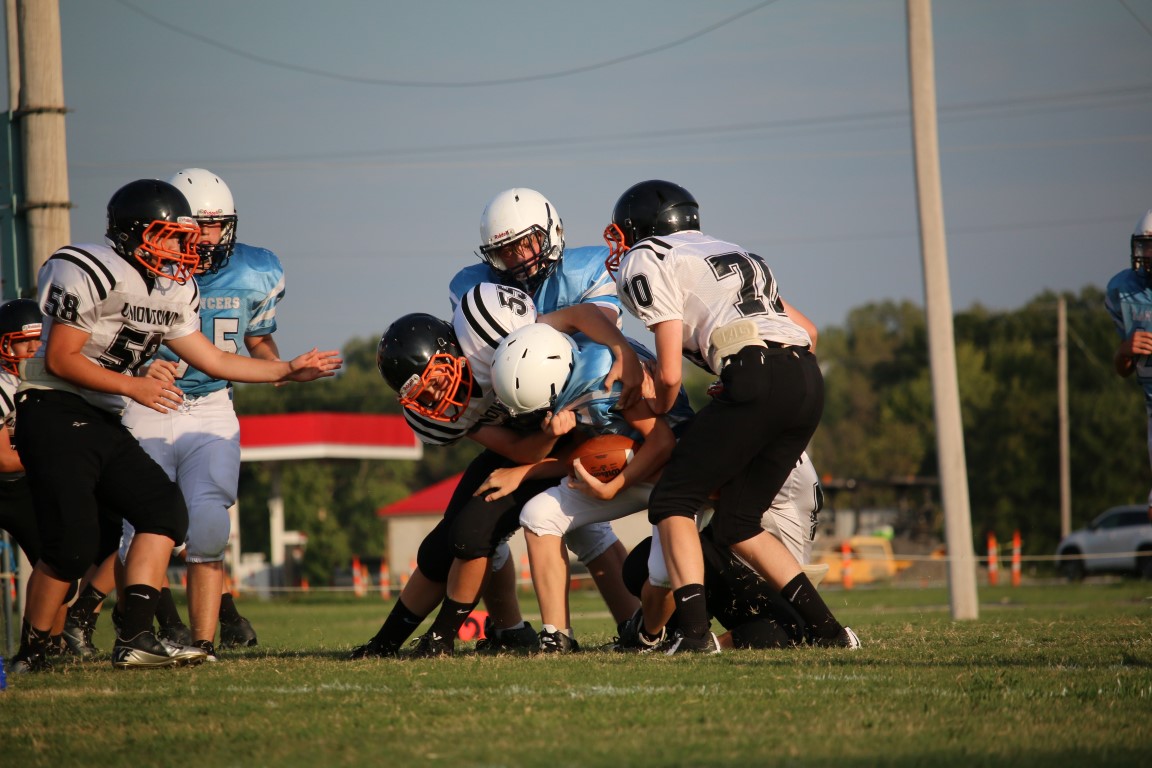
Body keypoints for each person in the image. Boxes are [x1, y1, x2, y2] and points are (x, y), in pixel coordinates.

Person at [7, 178, 341, 673]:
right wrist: (134, 386)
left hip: (104, 414)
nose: (185, 248)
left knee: (163, 511)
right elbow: (60, 359)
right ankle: (33, 651)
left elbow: (213, 359)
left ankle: (136, 636)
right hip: (54, 407)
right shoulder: (89, 268)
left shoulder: (174, 289)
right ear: (133, 233)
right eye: (171, 236)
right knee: (73, 546)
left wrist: (286, 370)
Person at [603, 179, 858, 653]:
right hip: (806, 379)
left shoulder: (650, 256)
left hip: (757, 373)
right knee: (739, 524)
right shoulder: (733, 252)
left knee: (672, 500)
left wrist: (655, 407)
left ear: (641, 228)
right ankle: (830, 632)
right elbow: (809, 332)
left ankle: (694, 634)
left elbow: (671, 375)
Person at [351, 282, 640, 658]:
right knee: (440, 548)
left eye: (433, 382)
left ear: (449, 351)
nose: (435, 397)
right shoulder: (439, 415)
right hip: (537, 442)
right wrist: (546, 438)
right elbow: (518, 450)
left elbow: (580, 315)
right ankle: (385, 643)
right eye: (421, 395)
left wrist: (621, 349)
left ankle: (442, 638)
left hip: (585, 429)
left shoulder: (488, 328)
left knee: (471, 536)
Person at [118, 168, 279, 660]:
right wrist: (137, 373)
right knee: (137, 530)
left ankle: (204, 644)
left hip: (210, 404)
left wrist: (277, 368)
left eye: (216, 225)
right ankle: (148, 631)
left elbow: (256, 337)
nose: (208, 238)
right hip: (146, 402)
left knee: (209, 524)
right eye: (198, 226)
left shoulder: (255, 270)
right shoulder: (135, 270)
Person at [485, 322, 692, 652]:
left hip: (674, 477)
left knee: (661, 573)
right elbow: (586, 454)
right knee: (539, 515)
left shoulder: (603, 379)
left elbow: (662, 442)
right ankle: (557, 636)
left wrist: (614, 487)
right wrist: (524, 472)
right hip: (631, 467)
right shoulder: (574, 357)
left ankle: (653, 635)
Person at [614, 452, 824, 652]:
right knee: (644, 562)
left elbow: (697, 485)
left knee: (788, 628)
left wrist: (630, 475)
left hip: (763, 574)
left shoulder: (768, 451)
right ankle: (666, 630)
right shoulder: (778, 444)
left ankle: (702, 642)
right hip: (744, 561)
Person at [1106, 209, 1152, 515]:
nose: (1148, 254)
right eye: (1145, 246)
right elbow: (1123, 370)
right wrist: (1125, 351)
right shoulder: (1124, 291)